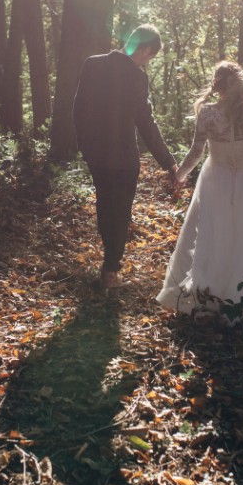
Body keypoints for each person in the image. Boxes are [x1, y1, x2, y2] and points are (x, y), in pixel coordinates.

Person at [156, 61, 243, 322]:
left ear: (217, 85)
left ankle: (205, 298)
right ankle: (235, 300)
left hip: (216, 180)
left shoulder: (209, 112)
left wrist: (178, 176)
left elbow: (196, 152)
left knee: (211, 236)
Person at [74, 24, 179, 289]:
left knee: (105, 204)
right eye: (150, 56)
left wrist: (86, 147)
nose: (147, 61)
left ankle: (110, 262)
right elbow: (146, 123)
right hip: (122, 157)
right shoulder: (136, 77)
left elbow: (78, 108)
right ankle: (111, 268)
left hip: (96, 153)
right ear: (144, 50)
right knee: (119, 211)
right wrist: (168, 161)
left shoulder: (92, 64)